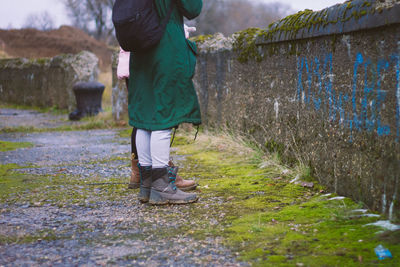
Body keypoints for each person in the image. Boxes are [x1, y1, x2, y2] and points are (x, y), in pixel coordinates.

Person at [117, 1, 201, 205]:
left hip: (140, 49)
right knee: (163, 115)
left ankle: (147, 183)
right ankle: (162, 184)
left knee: (145, 117)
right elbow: (192, 8)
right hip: (165, 48)